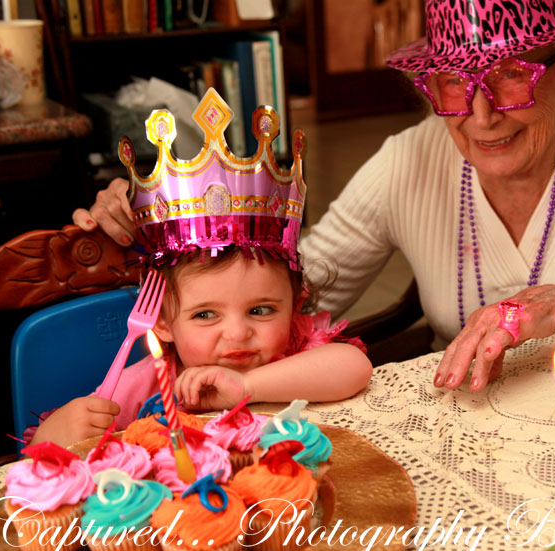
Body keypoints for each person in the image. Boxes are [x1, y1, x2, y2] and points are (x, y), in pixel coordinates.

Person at [73, 0, 555, 395]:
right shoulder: (409, 158)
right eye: (454, 83)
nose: (481, 116)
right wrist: (170, 239)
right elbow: (299, 286)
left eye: (510, 76)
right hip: (462, 419)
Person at [30, 99, 372, 448]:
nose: (238, 334)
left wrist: (246, 387)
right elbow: (70, 446)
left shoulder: (295, 350)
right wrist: (51, 435)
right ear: (162, 321)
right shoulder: (149, 382)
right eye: (205, 314)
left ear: (295, 306)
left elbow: (355, 367)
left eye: (261, 310)